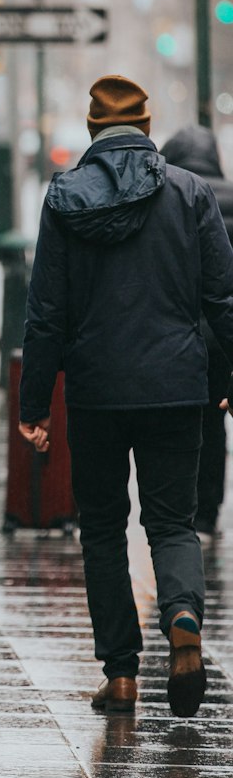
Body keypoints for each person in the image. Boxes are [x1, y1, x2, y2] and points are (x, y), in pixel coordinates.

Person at [19, 75, 233, 720]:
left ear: (91, 131)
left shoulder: (63, 199)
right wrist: (225, 382)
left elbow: (46, 314)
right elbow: (221, 299)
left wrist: (33, 405)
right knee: (172, 521)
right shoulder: (190, 193)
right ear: (145, 127)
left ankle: (120, 675)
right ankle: (185, 621)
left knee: (104, 529)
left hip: (96, 391)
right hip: (176, 387)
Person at [161, 124, 233, 534]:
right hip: (222, 335)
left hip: (180, 331)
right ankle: (208, 511)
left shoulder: (171, 199)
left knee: (178, 423)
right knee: (214, 421)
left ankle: (181, 509)